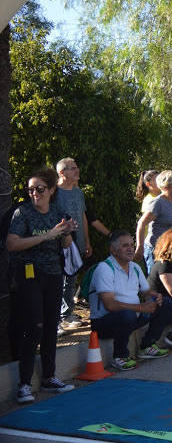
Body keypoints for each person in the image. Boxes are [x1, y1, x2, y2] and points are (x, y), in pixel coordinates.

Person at [6, 169, 78, 403]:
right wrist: (47, 235)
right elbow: (12, 244)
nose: (34, 193)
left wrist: (66, 232)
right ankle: (24, 384)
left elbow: (66, 244)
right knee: (34, 326)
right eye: (31, 190)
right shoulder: (22, 212)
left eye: (40, 189)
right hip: (28, 274)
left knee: (50, 326)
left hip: (53, 274)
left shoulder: (58, 212)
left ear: (51, 190)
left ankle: (49, 377)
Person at [88, 231, 170, 372]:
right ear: (113, 250)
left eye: (132, 245)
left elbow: (146, 292)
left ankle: (147, 346)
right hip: (103, 322)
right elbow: (110, 305)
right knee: (127, 314)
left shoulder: (135, 267)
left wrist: (155, 296)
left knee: (165, 303)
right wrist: (139, 308)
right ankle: (119, 357)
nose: (130, 248)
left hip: (130, 316)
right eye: (125, 246)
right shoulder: (105, 268)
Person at [54, 157, 91, 331]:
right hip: (60, 242)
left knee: (72, 279)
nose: (77, 171)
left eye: (77, 167)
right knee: (59, 279)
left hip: (78, 241)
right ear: (62, 173)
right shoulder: (53, 193)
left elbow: (83, 217)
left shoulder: (78, 192)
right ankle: (58, 318)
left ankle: (67, 313)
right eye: (73, 168)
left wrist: (87, 242)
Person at [134, 171, 172, 274]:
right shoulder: (158, 203)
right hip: (157, 249)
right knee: (158, 281)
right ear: (166, 186)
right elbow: (141, 224)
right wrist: (139, 247)